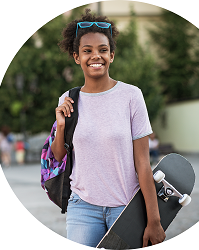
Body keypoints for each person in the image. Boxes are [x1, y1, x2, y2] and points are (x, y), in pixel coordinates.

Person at [51, 9, 166, 248]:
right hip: (82, 207)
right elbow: (59, 155)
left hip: (125, 207)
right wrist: (60, 125)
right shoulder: (69, 98)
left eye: (103, 50)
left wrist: (154, 219)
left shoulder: (131, 96)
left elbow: (143, 163)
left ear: (111, 55)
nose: (96, 56)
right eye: (87, 51)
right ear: (76, 57)